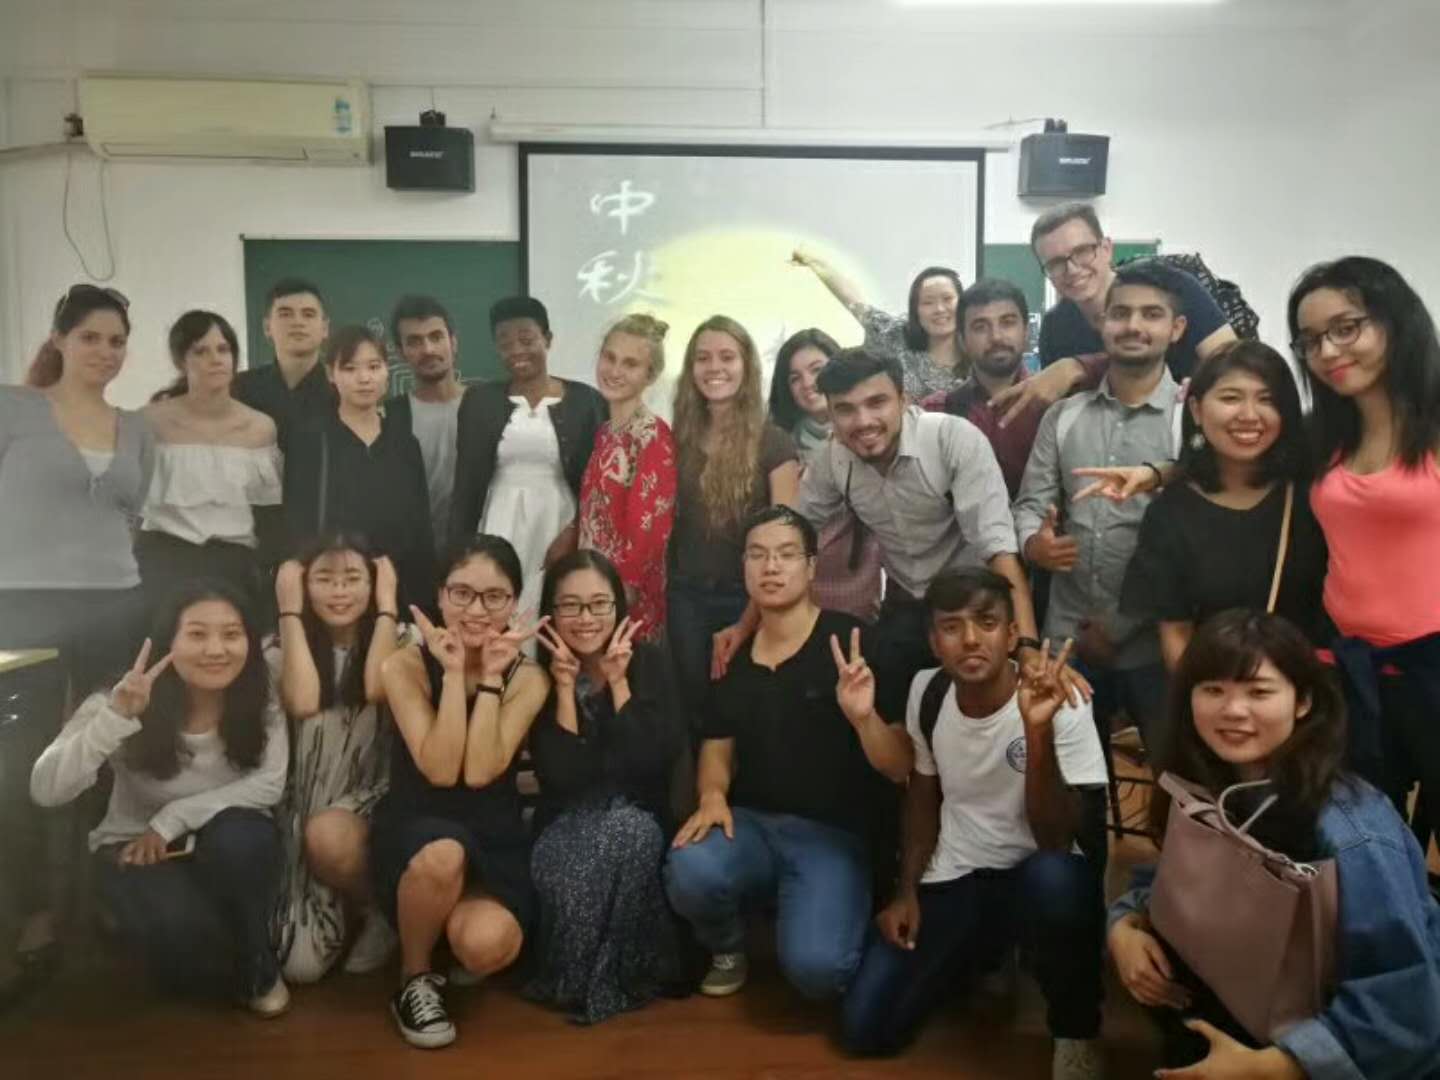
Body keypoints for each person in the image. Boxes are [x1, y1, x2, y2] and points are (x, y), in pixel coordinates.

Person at [1108, 610, 1440, 1079]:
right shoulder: (1203, 782)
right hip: (1221, 1015)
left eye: (1259, 692)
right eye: (1213, 690)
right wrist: (1123, 928)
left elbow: (1405, 1008)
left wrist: (1275, 1066)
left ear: (1303, 702)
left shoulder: (1353, 829)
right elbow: (1168, 882)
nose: (1233, 710)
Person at [842, 569, 1108, 1080]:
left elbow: (1055, 838)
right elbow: (922, 796)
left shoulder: (1063, 700)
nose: (969, 639)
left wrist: (1036, 732)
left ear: (1011, 636)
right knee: (866, 1029)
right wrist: (907, 891)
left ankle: (1076, 1028)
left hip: (1034, 873)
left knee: (1056, 880)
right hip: (959, 873)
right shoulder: (927, 691)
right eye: (951, 626)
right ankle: (982, 959)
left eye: (986, 623)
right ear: (933, 642)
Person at [744, 346, 1076, 732]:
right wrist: (747, 623)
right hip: (906, 606)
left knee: (995, 721)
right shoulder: (833, 461)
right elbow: (792, 538)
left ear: (903, 400)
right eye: (846, 409)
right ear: (830, 415)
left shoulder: (951, 439)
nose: (863, 421)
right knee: (892, 716)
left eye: (877, 403)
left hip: (976, 601)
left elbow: (998, 548)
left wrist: (1028, 647)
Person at [665, 507, 911, 1001]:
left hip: (833, 835)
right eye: (757, 555)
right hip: (752, 827)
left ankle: (835, 909)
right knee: (691, 867)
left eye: (786, 554)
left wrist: (863, 717)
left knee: (820, 972)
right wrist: (712, 796)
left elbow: (900, 765)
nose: (771, 567)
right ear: (743, 567)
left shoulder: (854, 643)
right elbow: (717, 744)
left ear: (812, 566)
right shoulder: (733, 654)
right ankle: (726, 946)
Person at [29, 580, 290, 1015]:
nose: (215, 649)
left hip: (228, 842)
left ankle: (257, 966)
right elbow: (46, 790)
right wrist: (115, 718)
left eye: (231, 634)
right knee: (186, 958)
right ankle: (217, 944)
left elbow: (269, 784)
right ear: (168, 641)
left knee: (240, 837)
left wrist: (170, 819)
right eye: (197, 634)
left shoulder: (260, 699)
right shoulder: (124, 697)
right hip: (137, 846)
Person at [0, 284, 152, 999]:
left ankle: (98, 899)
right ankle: (30, 913)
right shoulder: (14, 408)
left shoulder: (137, 427)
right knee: (18, 762)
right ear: (59, 338)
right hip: (22, 608)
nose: (105, 352)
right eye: (91, 337)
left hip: (114, 605)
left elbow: (137, 515)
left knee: (105, 758)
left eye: (117, 341)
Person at [371, 536, 548, 1049]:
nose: (477, 610)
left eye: (495, 597)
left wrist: (489, 678)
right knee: (443, 854)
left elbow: (481, 771)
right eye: (462, 593)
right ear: (440, 596)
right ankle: (414, 976)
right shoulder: (402, 665)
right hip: (418, 828)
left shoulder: (528, 678)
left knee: (488, 946)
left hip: (493, 835)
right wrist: (452, 674)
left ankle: (436, 928)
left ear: (513, 603)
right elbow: (443, 769)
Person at [1013, 262, 1190, 756]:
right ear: (1102, 324)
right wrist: (1034, 545)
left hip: (1156, 644)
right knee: (1067, 779)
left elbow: (1195, 542)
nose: (1133, 325)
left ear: (1176, 328)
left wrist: (1119, 627)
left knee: (1177, 777)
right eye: (1121, 313)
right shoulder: (1064, 416)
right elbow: (1030, 504)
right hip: (1066, 641)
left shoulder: (1191, 417)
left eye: (1151, 314)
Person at [1290, 256, 1440, 812]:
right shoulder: (1323, 435)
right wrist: (1159, 474)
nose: (1328, 352)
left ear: (1395, 321)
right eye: (1311, 340)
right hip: (1352, 667)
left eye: (1346, 328)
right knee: (1368, 830)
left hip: (1433, 666)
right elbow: (1241, 455)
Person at [525, 550, 688, 1023]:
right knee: (613, 842)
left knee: (629, 833)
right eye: (570, 605)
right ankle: (594, 977)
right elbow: (562, 778)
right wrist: (562, 689)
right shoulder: (538, 674)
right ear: (552, 612)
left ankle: (583, 979)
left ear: (618, 607)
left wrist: (618, 684)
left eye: (599, 604)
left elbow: (649, 764)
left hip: (639, 818)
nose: (585, 618)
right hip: (563, 826)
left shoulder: (650, 662)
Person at [1121, 340, 1328, 670]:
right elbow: (1176, 633)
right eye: (1231, 398)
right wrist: (1204, 695)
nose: (1249, 415)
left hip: (1310, 685)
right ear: (1196, 410)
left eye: (1267, 400)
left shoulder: (1314, 495)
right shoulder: (1170, 513)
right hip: (1218, 688)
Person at [271, 537, 411, 983]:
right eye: (324, 579)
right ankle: (341, 906)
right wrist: (289, 613)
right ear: (301, 583)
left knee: (328, 836)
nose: (339, 591)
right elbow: (302, 700)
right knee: (299, 967)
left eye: (353, 578)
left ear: (375, 581)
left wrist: (387, 607)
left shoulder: (404, 639)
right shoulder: (280, 646)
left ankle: (380, 909)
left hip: (372, 803)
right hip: (301, 808)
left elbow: (378, 686)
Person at [992, 204, 1236, 425]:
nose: (1072, 269)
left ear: (1106, 249)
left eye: (1082, 251)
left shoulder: (1170, 286)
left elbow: (1233, 360)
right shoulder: (1056, 328)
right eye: (1056, 263)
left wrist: (1202, 387)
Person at [668, 316, 800, 715]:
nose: (715, 368)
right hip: (684, 597)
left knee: (744, 709)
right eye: (703, 358)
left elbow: (786, 542)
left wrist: (746, 623)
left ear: (747, 366)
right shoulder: (676, 440)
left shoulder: (774, 443)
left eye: (727, 357)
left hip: (748, 598)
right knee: (693, 709)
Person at [449, 296, 606, 615]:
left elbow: (600, 483)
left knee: (555, 602)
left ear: (547, 339)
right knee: (499, 601)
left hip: (559, 520)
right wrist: (459, 550)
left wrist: (575, 531)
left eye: (526, 339)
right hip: (499, 519)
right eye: (505, 343)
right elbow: (466, 483)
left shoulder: (587, 401)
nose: (516, 351)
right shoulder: (479, 401)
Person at [282, 325, 435, 614]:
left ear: (387, 371)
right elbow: (297, 524)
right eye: (350, 368)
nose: (364, 378)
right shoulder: (311, 440)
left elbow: (420, 530)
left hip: (399, 588)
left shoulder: (404, 442)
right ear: (331, 374)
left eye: (374, 367)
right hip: (336, 589)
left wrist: (423, 602)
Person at [139, 310, 281, 609]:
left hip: (234, 565)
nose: (215, 359)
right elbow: (128, 506)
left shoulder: (261, 428)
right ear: (181, 361)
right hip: (163, 563)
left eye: (223, 349)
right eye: (200, 351)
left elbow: (268, 515)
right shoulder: (150, 421)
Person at [767, 327, 882, 621]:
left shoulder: (871, 433)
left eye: (816, 370)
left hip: (857, 583)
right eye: (795, 378)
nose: (808, 383)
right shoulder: (779, 443)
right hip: (796, 583)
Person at [577, 314, 677, 642]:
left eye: (630, 364)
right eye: (610, 358)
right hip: (590, 586)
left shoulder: (651, 434)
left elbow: (650, 528)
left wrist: (622, 592)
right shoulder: (605, 433)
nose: (615, 371)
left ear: (651, 375)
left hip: (625, 598)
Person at [791, 249, 966, 399]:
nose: (939, 309)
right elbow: (852, 300)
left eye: (947, 299)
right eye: (928, 302)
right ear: (916, 310)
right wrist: (814, 261)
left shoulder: (977, 353)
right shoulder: (895, 336)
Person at [935, 278, 1047, 498]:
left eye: (1007, 322)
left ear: (1026, 330)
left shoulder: (1055, 405)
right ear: (962, 340)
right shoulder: (937, 412)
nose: (996, 337)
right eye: (980, 327)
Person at [384, 295, 465, 554]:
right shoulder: (388, 418)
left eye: (436, 337)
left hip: (476, 556)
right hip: (409, 556)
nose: (428, 349)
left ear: (453, 342)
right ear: (401, 352)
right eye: (414, 341)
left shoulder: (487, 408)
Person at [233, 277, 333, 447]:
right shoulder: (239, 389)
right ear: (267, 327)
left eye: (308, 314)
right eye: (286, 314)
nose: (298, 322)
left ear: (325, 328)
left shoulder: (343, 390)